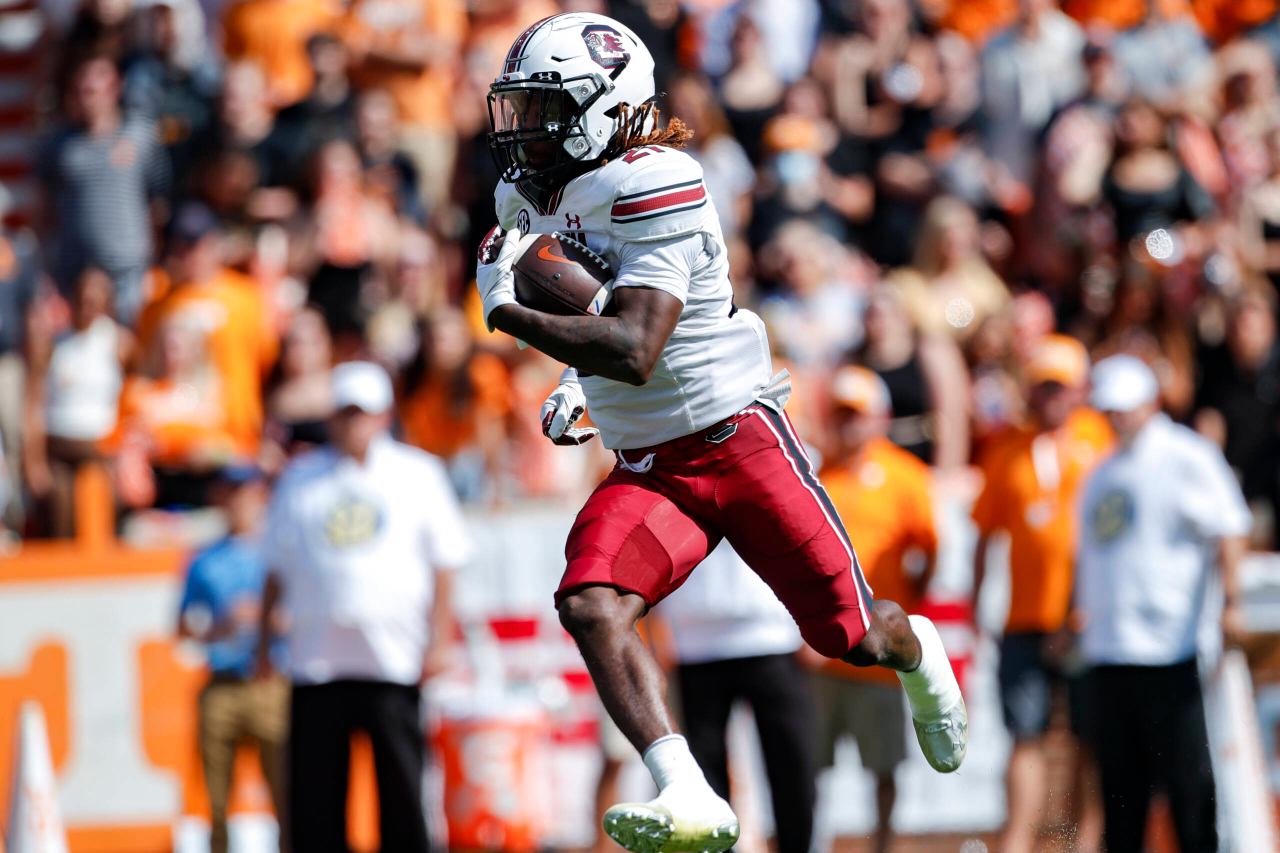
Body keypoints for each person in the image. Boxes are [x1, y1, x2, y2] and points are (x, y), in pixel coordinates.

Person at [473, 14, 966, 853]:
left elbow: (634, 346)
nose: (525, 132)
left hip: (737, 439)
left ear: (607, 106)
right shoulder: (526, 194)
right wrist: (571, 380)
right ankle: (687, 789)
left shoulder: (657, 179)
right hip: (652, 464)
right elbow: (592, 308)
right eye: (517, 109)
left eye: (544, 111)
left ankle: (918, 651)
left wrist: (510, 312)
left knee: (849, 634)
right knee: (591, 602)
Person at [256, 361, 467, 853]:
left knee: (402, 795)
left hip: (392, 657)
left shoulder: (418, 474)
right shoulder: (299, 479)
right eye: (346, 412)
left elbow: (445, 563)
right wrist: (265, 645)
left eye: (363, 413)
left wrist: (439, 640)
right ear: (332, 416)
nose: (354, 423)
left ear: (383, 415)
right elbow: (273, 567)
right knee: (315, 804)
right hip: (316, 661)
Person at [1077, 355, 1251, 853]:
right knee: (1121, 794)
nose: (1117, 419)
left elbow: (1229, 526)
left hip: (1171, 647)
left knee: (1188, 789)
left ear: (1150, 404)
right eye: (1111, 410)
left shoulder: (1183, 455)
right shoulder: (1102, 473)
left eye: (1125, 408)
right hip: (1111, 650)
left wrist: (1230, 601)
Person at [971, 334, 1111, 853]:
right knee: (1023, 735)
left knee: (1086, 740)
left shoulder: (1100, 438)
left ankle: (1084, 842)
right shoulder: (1006, 450)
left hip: (1090, 618)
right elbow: (985, 536)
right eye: (1044, 386)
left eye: (1061, 386)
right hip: (1025, 616)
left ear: (1079, 390)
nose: (1052, 396)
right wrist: (974, 602)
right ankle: (1018, 842)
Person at [811, 366, 937, 853]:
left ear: (879, 418)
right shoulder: (815, 471)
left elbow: (929, 551)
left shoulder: (907, 476)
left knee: (882, 768)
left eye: (856, 415)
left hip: (877, 651)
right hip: (821, 648)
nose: (847, 425)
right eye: (840, 414)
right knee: (812, 764)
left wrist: (904, 611)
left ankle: (882, 846)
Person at [654, 541, 816, 853]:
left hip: (772, 634)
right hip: (695, 643)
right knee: (704, 769)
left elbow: (802, 531)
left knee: (792, 763)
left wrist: (815, 620)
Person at [178, 465, 289, 853]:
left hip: (271, 679)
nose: (240, 501)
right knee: (215, 795)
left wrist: (263, 617)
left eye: (247, 492)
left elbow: (302, 616)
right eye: (232, 492)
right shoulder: (204, 559)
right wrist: (222, 624)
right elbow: (184, 626)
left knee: (286, 789)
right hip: (222, 679)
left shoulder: (279, 552)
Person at [37, 54, 172, 325]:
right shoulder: (58, 145)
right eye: (78, 90)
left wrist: (154, 261)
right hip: (75, 278)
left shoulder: (140, 135)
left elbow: (159, 202)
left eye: (92, 90)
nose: (86, 98)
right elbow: (45, 210)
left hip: (129, 276)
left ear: (114, 88)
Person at [23, 267, 133, 537]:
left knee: (101, 518)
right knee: (60, 517)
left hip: (100, 450)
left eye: (96, 301)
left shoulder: (119, 342)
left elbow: (133, 396)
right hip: (59, 448)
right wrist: (34, 461)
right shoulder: (53, 345)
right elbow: (34, 404)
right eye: (83, 300)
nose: (88, 308)